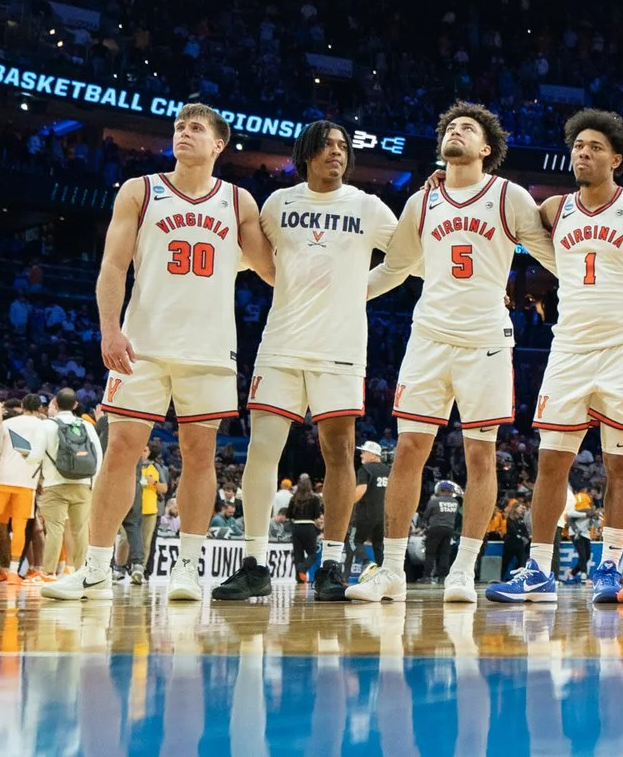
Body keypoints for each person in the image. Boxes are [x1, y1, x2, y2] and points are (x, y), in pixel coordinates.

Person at [46, 104, 275, 601]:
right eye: (179, 127)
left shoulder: (239, 202)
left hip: (210, 348)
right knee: (121, 453)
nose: (184, 133)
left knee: (200, 456)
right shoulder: (140, 190)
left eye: (196, 129)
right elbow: (112, 266)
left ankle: (189, 570)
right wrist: (109, 328)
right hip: (142, 344)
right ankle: (96, 570)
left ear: (219, 145)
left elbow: (272, 271)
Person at [352, 101, 553, 605]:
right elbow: (394, 269)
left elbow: (556, 256)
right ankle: (393, 571)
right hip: (429, 337)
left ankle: (463, 571)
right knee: (408, 453)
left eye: (467, 128)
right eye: (450, 127)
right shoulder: (422, 203)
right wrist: (340, 295)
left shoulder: (509, 196)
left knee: (480, 456)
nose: (456, 131)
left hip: (484, 341)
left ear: (486, 148)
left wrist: (614, 281)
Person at [490, 110, 623, 604]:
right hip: (570, 345)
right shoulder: (553, 210)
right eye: (578, 145)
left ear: (617, 158)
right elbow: (502, 213)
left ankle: (610, 568)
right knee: (552, 462)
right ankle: (537, 571)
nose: (583, 152)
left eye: (595, 146)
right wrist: (442, 178)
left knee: (621, 465)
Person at [214, 120, 397, 603]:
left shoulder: (367, 206)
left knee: (339, 455)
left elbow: (408, 259)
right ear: (307, 153)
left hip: (339, 349)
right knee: (262, 452)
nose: (337, 152)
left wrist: (361, 291)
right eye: (327, 145)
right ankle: (253, 564)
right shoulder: (279, 204)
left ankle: (332, 564)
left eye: (343, 145)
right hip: (280, 344)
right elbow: (251, 257)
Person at [0, 394, 52, 581]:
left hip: (3, 478)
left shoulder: (7, 424)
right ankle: (13, 572)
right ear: (40, 408)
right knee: (19, 527)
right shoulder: (45, 427)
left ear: (23, 405)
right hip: (27, 482)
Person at [36, 390, 101, 578]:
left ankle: (48, 573)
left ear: (55, 403)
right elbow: (98, 455)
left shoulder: (47, 425)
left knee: (54, 530)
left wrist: (25, 453)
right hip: (82, 484)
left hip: (54, 484)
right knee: (80, 531)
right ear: (75, 405)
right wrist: (92, 484)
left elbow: (34, 457)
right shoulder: (87, 426)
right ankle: (82, 573)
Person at [349, 441, 388, 569]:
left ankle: (367, 563)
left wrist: (349, 504)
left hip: (365, 513)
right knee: (378, 544)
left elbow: (361, 489)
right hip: (382, 515)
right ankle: (383, 569)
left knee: (354, 541)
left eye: (364, 452)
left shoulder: (365, 469)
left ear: (372, 454)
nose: (361, 455)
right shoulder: (388, 470)